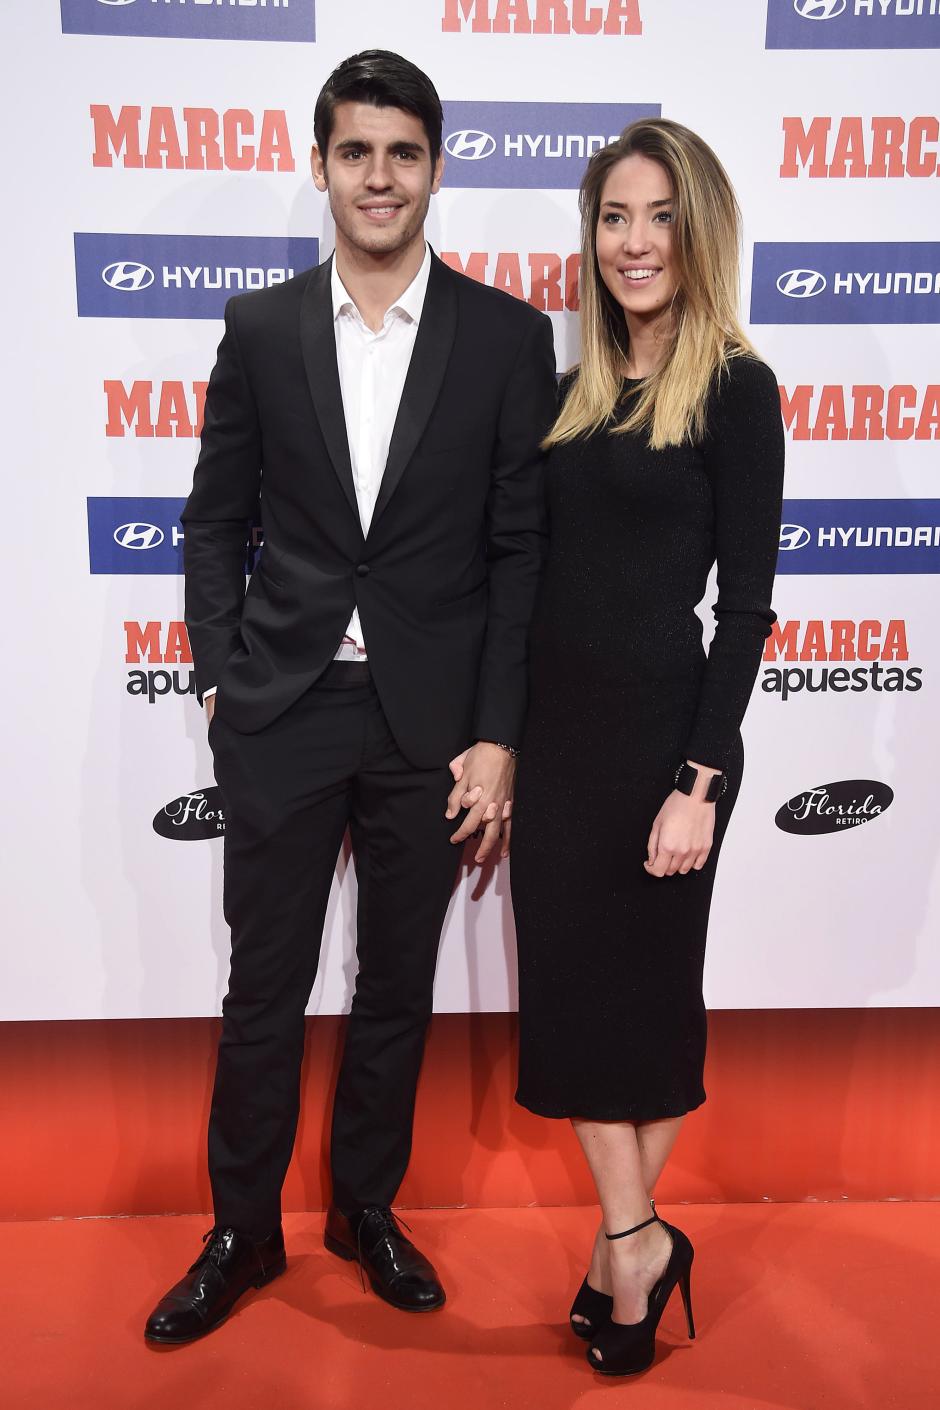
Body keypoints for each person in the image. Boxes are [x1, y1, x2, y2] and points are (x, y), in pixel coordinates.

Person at [144, 50, 556, 1344]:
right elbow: (211, 524)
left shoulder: (505, 335)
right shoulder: (261, 328)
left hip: (429, 725)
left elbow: (517, 553)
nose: (380, 176)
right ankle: (241, 1228)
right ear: (320, 163)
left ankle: (366, 1210)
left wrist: (497, 734)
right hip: (283, 705)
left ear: (438, 165)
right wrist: (219, 674)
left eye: (404, 152)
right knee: (261, 984)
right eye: (356, 151)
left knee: (397, 984)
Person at [510, 118, 785, 1376]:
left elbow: (748, 611)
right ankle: (638, 1244)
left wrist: (700, 781)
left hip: (663, 748)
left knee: (652, 1020)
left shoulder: (736, 386)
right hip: (557, 750)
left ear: (699, 229)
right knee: (573, 1017)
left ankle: (627, 1246)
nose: (633, 242)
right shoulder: (572, 387)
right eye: (614, 218)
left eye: (658, 216)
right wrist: (500, 744)